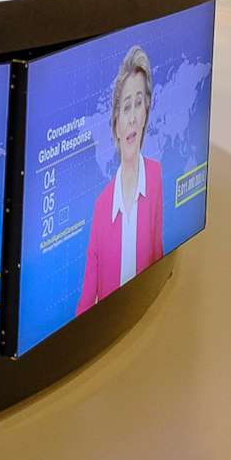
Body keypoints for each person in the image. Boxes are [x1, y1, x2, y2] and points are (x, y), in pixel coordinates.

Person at [78, 47, 167, 312]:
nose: (132, 118)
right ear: (115, 123)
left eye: (139, 103)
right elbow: (87, 298)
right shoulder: (102, 205)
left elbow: (158, 256)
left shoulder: (155, 175)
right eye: (126, 107)